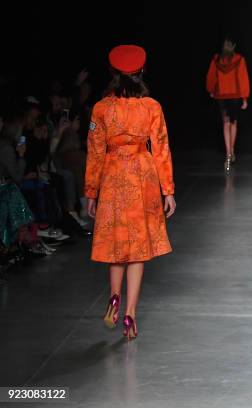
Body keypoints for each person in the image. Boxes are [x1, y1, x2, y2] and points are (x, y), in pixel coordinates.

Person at [85, 45, 177, 340]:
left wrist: (91, 192)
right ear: (140, 73)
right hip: (142, 175)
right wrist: (168, 190)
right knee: (138, 247)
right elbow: (161, 149)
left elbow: (95, 152)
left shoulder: (101, 108)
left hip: (112, 175)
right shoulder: (151, 107)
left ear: (113, 73)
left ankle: (114, 297)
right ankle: (130, 314)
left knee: (116, 242)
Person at [206, 38, 250, 173]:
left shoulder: (217, 60)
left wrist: (211, 90)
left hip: (222, 96)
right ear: (233, 47)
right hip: (235, 96)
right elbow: (243, 78)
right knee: (233, 123)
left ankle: (228, 154)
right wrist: (244, 97)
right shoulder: (239, 59)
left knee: (226, 124)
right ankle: (231, 152)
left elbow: (211, 76)